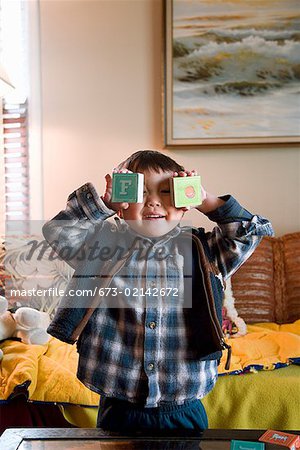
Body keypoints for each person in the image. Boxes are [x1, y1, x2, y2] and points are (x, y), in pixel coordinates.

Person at [43, 150, 274, 437]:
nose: (153, 201)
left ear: (183, 203)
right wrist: (103, 204)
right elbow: (59, 232)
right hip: (118, 401)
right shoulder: (100, 249)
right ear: (121, 204)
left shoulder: (205, 251)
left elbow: (247, 233)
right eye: (139, 192)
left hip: (184, 405)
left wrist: (206, 200)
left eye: (167, 192)